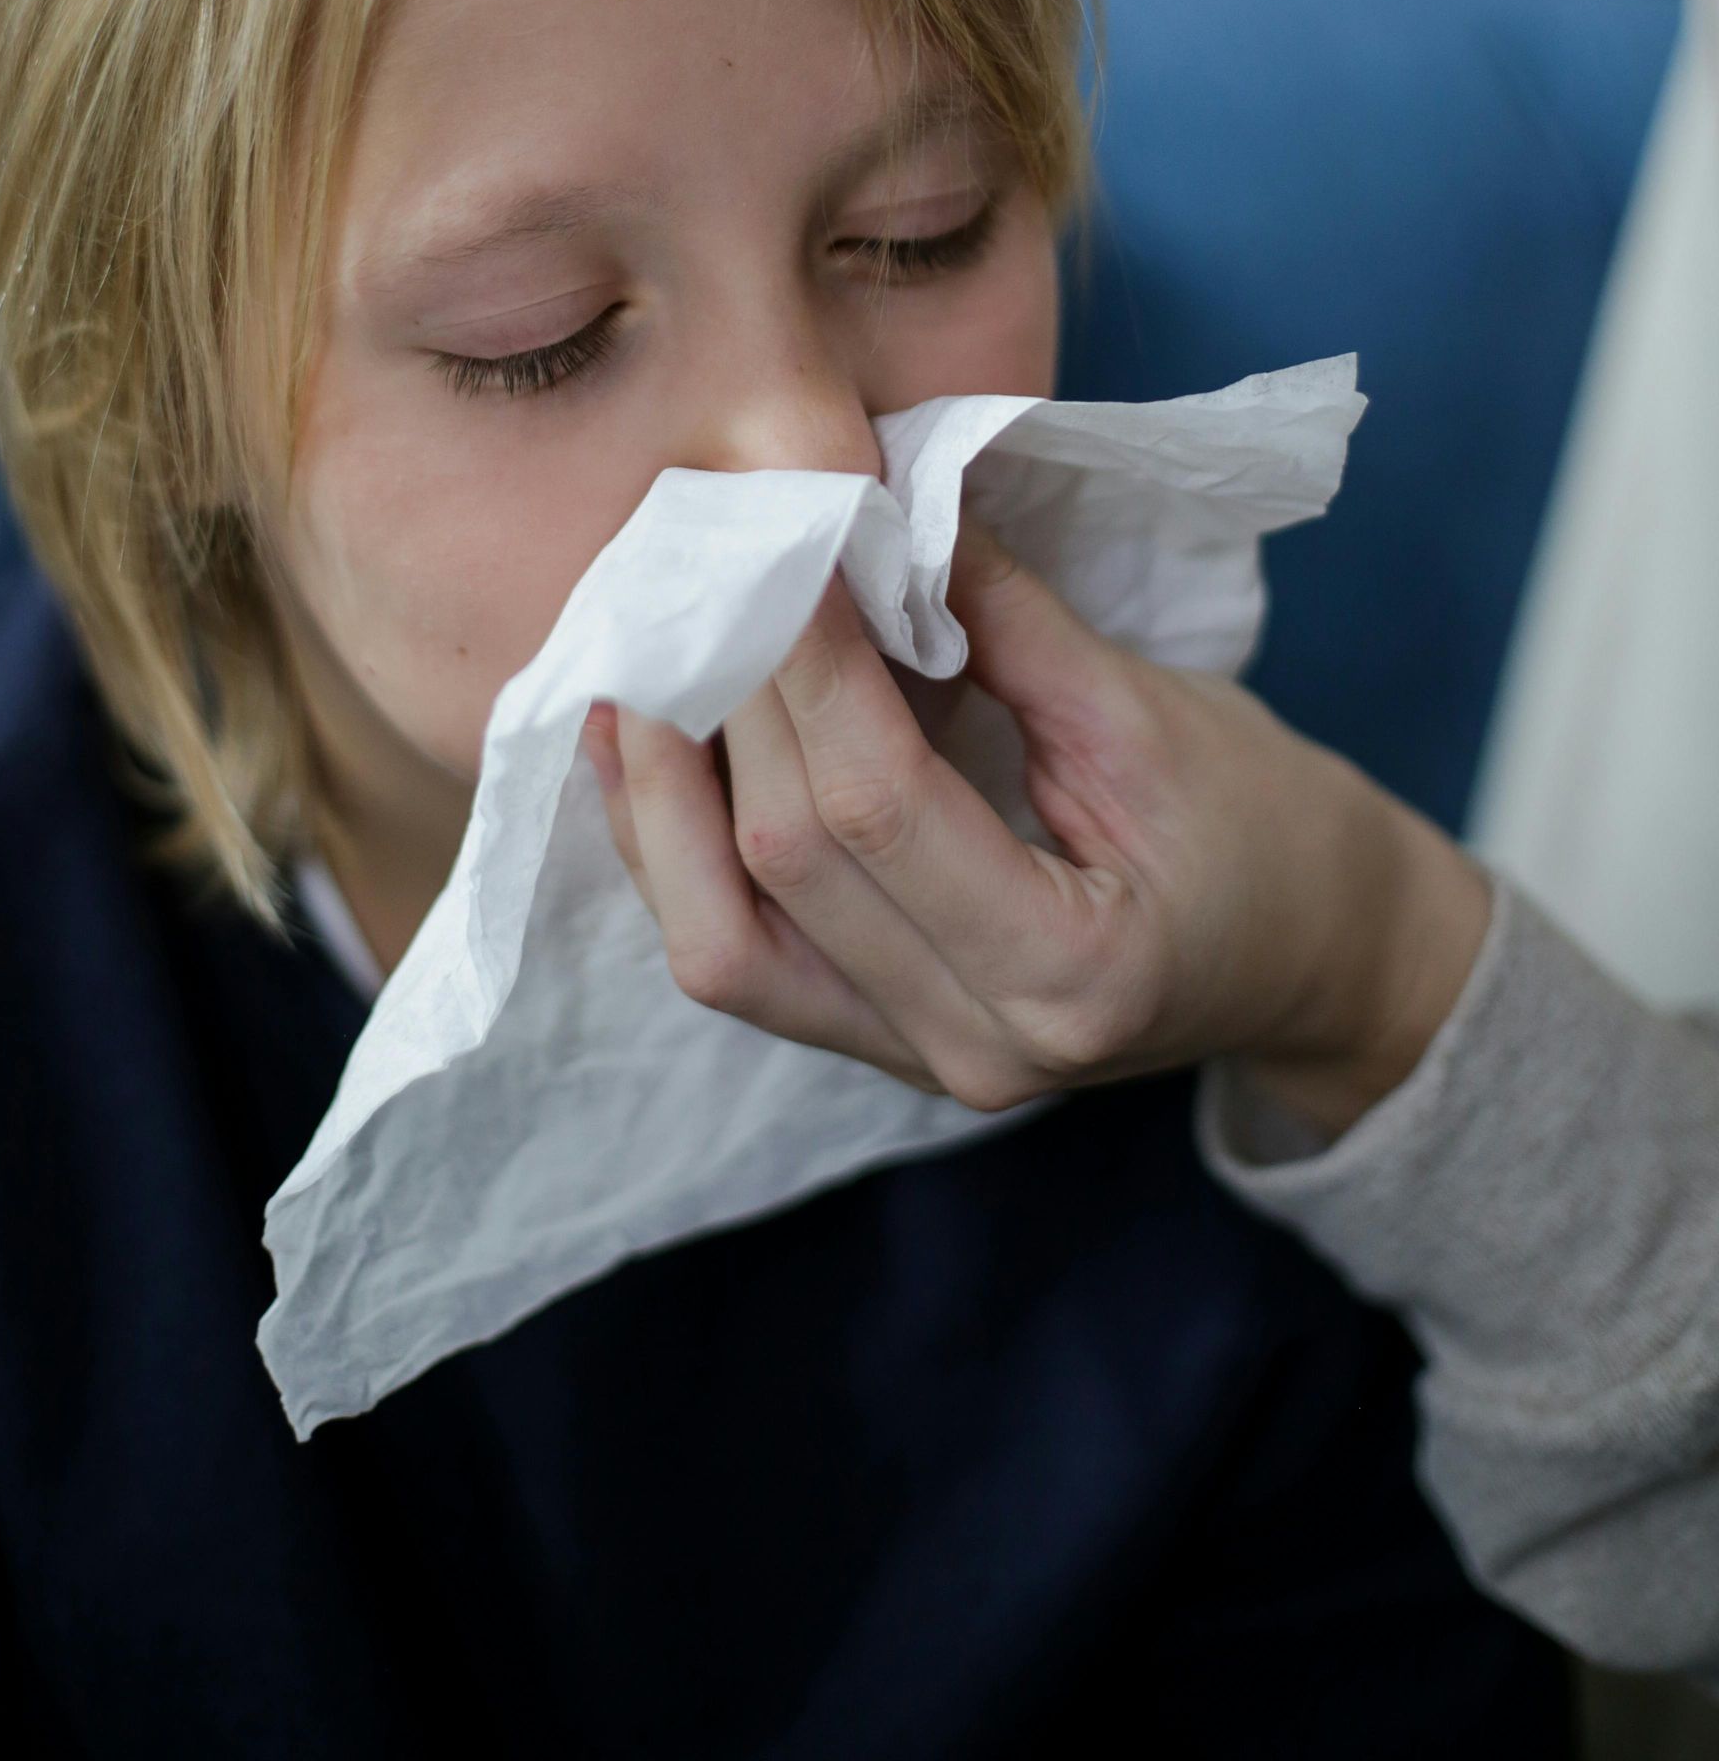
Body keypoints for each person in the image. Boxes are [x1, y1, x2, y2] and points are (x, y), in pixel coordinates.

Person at [0, 0, 1569, 1758]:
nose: (814, 458)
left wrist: (1370, 979)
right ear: (151, 382)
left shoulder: (1217, 1000)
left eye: (921, 229)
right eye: (540, 339)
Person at [588, 458, 1719, 1695]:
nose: (813, 442)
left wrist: (1372, 952)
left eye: (913, 253)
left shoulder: (1227, 1242)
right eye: (539, 342)